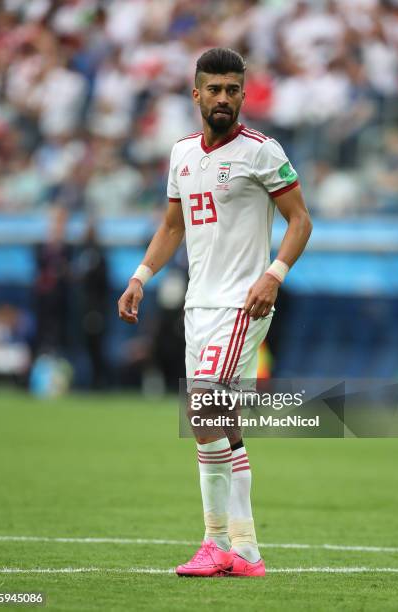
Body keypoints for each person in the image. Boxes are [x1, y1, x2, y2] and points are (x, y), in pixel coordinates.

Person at [118, 48, 312, 577]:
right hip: (197, 307)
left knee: (202, 411)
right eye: (215, 89)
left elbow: (300, 221)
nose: (223, 98)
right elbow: (173, 227)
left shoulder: (262, 152)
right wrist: (140, 276)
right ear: (196, 93)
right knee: (224, 425)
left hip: (242, 305)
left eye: (233, 89)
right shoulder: (181, 153)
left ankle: (214, 542)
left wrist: (274, 275)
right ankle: (247, 552)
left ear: (243, 94)